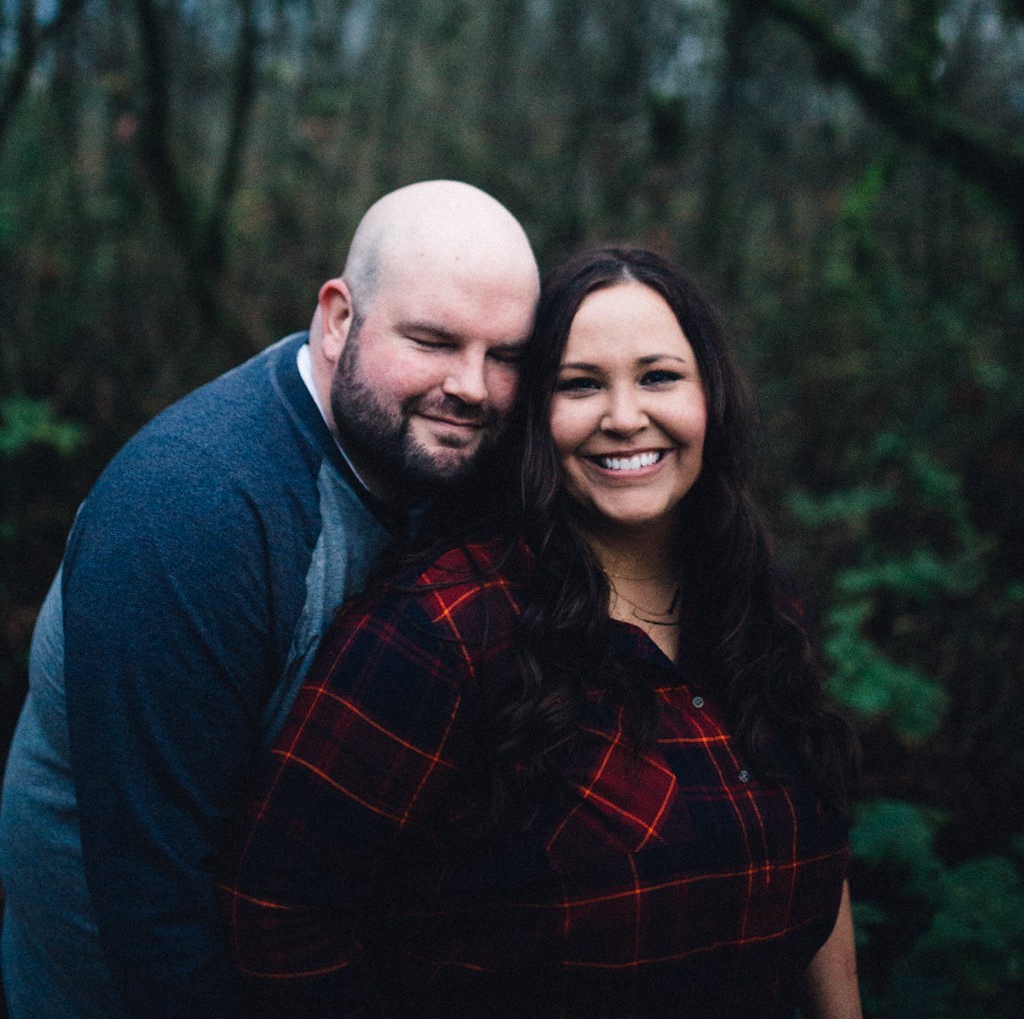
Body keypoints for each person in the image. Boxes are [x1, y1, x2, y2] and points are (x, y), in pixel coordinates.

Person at [221, 246, 862, 1018]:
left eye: (659, 376)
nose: (625, 418)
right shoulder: (443, 629)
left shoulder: (756, 604)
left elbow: (817, 845)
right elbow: (279, 916)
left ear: (711, 397)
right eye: (581, 385)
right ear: (533, 418)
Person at [0, 180, 540, 1019]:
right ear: (336, 319)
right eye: (433, 341)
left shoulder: (446, 460)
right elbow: (156, 903)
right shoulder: (193, 514)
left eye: (505, 355)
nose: (472, 386)